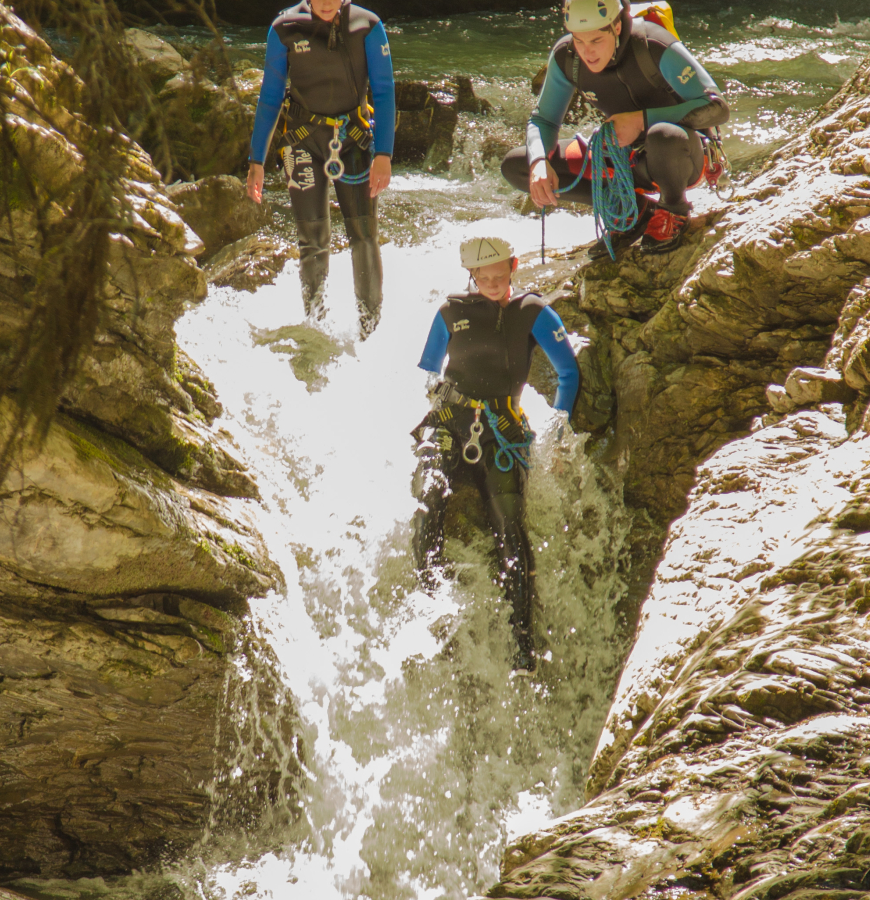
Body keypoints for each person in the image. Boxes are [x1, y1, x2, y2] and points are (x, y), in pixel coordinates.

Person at [411, 237, 581, 673]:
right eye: (483, 278)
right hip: (448, 423)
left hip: (501, 433)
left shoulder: (532, 313)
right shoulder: (450, 312)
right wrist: (441, 395)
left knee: (509, 526)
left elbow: (568, 372)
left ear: (514, 267)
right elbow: (428, 370)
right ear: (470, 275)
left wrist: (558, 426)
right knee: (427, 502)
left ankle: (522, 645)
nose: (491, 284)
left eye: (500, 276)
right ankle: (430, 606)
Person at [501, 0, 730, 256]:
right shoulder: (567, 57)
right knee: (518, 165)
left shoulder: (653, 44)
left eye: (596, 40)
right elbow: (543, 121)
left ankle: (674, 208)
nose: (587, 52)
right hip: (624, 158)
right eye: (579, 40)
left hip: (680, 155)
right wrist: (540, 161)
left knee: (661, 135)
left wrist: (641, 120)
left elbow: (717, 107)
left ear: (617, 26)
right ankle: (633, 210)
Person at [246, 0, 396, 340]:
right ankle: (317, 330)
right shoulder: (284, 29)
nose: (326, 3)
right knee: (312, 241)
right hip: (302, 140)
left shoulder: (367, 26)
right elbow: (269, 97)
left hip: (354, 141)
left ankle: (369, 332)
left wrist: (384, 154)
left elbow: (385, 92)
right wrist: (256, 161)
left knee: (363, 236)